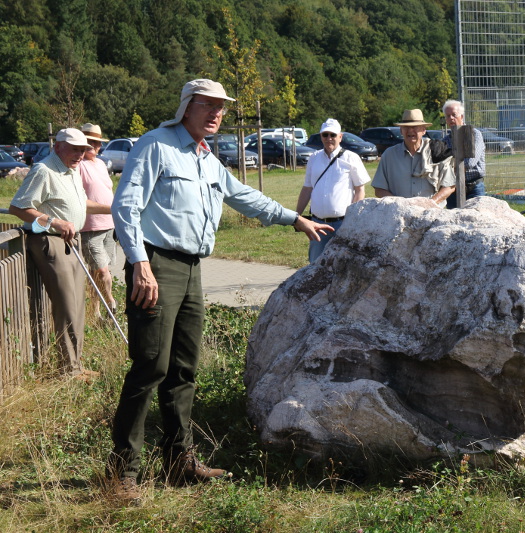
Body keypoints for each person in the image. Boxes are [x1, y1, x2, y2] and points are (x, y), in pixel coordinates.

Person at [107, 79, 332, 502]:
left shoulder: (208, 159)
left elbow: (243, 196)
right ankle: (122, 473)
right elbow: (127, 205)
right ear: (186, 106)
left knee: (184, 369)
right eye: (208, 106)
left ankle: (178, 462)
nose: (216, 114)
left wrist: (293, 219)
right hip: (156, 265)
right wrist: (139, 263)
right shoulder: (156, 145)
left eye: (222, 108)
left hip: (192, 271)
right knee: (150, 366)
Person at [8, 128, 111, 379]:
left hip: (70, 240)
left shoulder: (72, 170)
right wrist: (55, 222)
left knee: (77, 304)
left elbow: (81, 204)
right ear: (58, 146)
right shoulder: (44, 170)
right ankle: (68, 370)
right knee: (66, 305)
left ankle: (76, 365)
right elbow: (19, 207)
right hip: (50, 241)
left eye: (83, 149)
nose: (80, 154)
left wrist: (113, 209)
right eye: (74, 149)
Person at [295, 118, 370, 262]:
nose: (329, 138)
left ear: (340, 137)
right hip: (317, 224)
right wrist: (297, 216)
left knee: (342, 265)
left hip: (342, 223)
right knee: (315, 265)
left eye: (333, 135)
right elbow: (307, 188)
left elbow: (360, 190)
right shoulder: (314, 158)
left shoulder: (351, 158)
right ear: (321, 136)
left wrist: (352, 218)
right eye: (325, 135)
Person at [372, 109, 455, 205]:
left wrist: (430, 204)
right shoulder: (389, 155)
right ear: (401, 130)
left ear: (424, 130)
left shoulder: (437, 152)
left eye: (415, 127)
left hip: (431, 214)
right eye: (406, 127)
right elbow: (379, 189)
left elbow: (449, 186)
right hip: (399, 214)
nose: (410, 130)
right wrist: (399, 205)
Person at [78, 123, 116, 320]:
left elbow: (107, 190)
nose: (94, 146)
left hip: (108, 224)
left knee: (99, 272)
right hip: (90, 226)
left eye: (97, 143)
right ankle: (111, 303)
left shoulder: (100, 164)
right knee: (101, 271)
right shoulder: (78, 164)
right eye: (90, 142)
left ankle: (95, 313)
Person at [442, 99, 486, 209]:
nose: (451, 118)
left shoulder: (475, 135)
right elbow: (441, 166)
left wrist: (452, 166)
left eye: (454, 115)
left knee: (476, 221)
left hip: (474, 188)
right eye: (448, 116)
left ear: (461, 116)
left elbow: (470, 162)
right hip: (453, 189)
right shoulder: (446, 140)